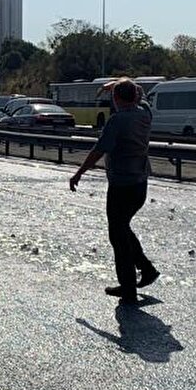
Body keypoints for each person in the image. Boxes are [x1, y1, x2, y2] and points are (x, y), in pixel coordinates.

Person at [69, 78, 159, 304]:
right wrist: (120, 84)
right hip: (140, 183)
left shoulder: (117, 121)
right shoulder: (144, 114)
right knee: (122, 228)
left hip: (121, 185)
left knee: (117, 236)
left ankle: (128, 289)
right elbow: (141, 94)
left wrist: (79, 173)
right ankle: (146, 269)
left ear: (116, 99)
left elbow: (100, 149)